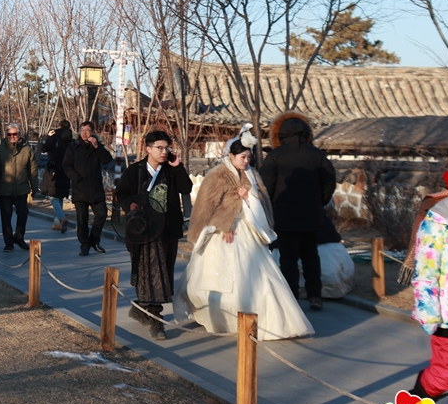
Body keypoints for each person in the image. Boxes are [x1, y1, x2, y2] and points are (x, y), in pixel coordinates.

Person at [176, 128, 315, 340]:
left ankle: (269, 320)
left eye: (249, 157)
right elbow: (206, 206)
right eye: (242, 157)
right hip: (223, 233)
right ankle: (223, 317)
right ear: (231, 156)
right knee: (218, 279)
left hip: (248, 230)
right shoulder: (218, 175)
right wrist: (221, 224)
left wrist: (250, 199)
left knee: (262, 278)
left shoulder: (252, 174)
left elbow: (263, 202)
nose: (246, 161)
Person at [115, 129, 193, 340]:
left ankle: (141, 309)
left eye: (167, 148)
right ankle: (156, 320)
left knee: (163, 272)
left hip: (166, 230)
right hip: (143, 231)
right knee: (146, 274)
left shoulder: (171, 170)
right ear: (147, 149)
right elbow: (120, 193)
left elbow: (186, 188)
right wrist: (129, 205)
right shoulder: (136, 171)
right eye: (159, 147)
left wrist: (178, 168)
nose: (164, 152)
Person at [260, 112, 337, 312]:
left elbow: (266, 186)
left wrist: (270, 207)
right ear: (306, 133)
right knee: (311, 255)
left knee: (288, 258)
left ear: (281, 134)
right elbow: (329, 182)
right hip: (311, 214)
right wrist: (320, 201)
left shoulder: (275, 156)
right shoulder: (318, 155)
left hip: (284, 215)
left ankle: (291, 296)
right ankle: (315, 295)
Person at [408, 170, 448, 403]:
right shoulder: (438, 221)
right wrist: (428, 311)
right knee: (445, 375)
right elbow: (425, 270)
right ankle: (417, 399)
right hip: (447, 314)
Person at [62, 121, 113, 256]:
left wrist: (97, 147)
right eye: (82, 130)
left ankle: (94, 241)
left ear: (93, 132)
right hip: (80, 188)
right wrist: (75, 177)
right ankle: (84, 245)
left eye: (87, 130)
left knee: (102, 214)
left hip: (96, 188)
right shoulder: (73, 146)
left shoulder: (97, 146)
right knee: (82, 219)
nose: (84, 133)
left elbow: (107, 160)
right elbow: (66, 165)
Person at [0, 123, 39, 252]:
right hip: (5, 189)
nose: (12, 136)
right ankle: (8, 242)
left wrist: (34, 186)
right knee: (6, 217)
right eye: (9, 134)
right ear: (6, 135)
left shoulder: (27, 150)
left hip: (21, 188)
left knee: (23, 214)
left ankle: (19, 237)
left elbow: (33, 170)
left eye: (15, 134)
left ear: (19, 134)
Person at [40, 120, 73, 233]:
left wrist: (47, 137)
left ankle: (62, 218)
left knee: (52, 195)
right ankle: (57, 223)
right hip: (66, 169)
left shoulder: (54, 136)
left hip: (53, 169)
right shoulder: (71, 139)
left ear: (59, 127)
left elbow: (43, 148)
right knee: (59, 194)